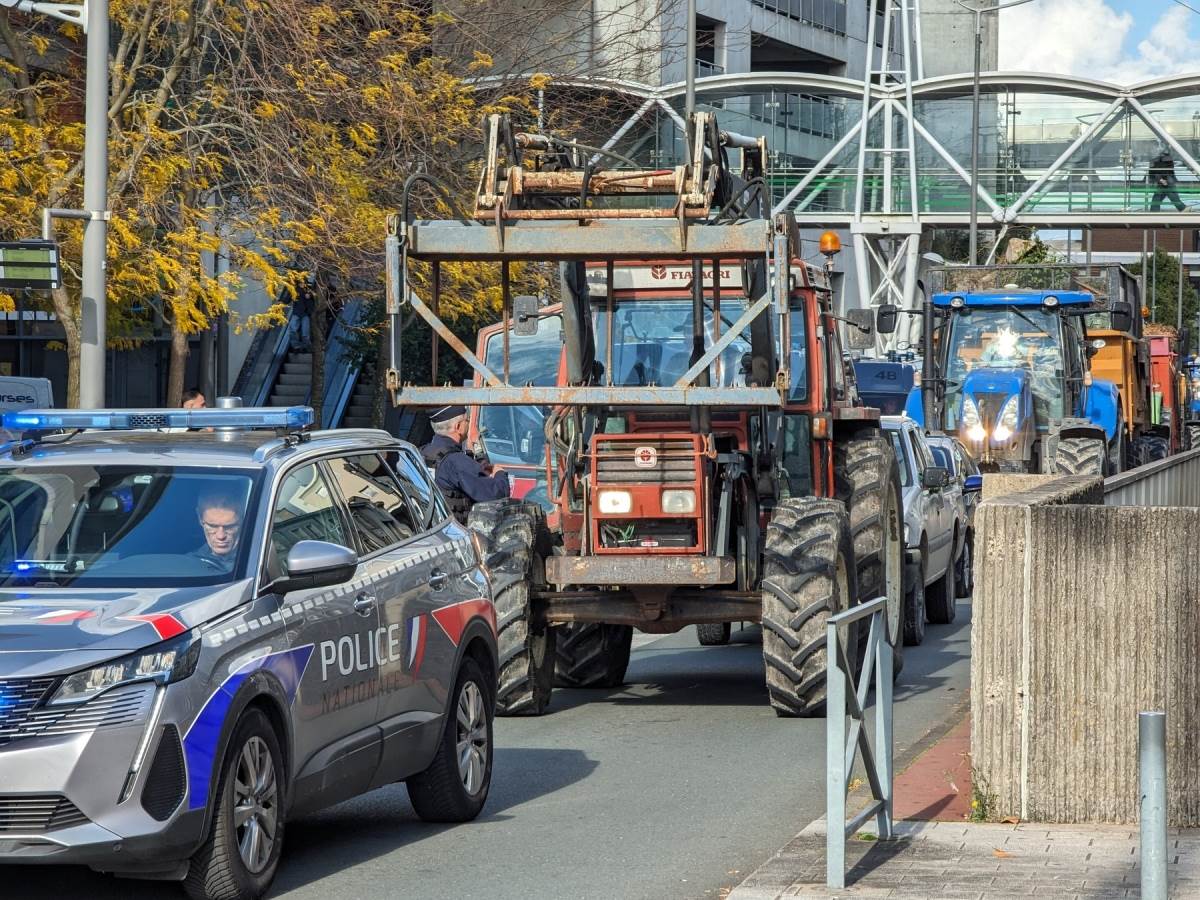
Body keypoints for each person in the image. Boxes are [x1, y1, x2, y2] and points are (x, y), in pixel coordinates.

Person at [421, 405, 509, 523]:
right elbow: (496, 495)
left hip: (431, 528)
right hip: (456, 533)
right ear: (458, 427)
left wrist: (476, 465)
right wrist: (499, 474)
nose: (468, 424)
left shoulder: (422, 452)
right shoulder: (457, 462)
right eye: (467, 420)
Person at [192, 493, 243, 571]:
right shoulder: (188, 563)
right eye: (212, 526)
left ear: (244, 518)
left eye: (229, 527)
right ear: (199, 517)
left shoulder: (260, 559)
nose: (221, 536)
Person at [1149, 147, 1186, 213]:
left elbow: (1157, 170)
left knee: (1162, 194)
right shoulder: (1167, 158)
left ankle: (1154, 211)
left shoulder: (1160, 159)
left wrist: (1161, 179)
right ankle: (1182, 208)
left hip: (1165, 179)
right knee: (1166, 194)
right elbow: (1167, 169)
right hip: (1167, 179)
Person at [290, 278, 315, 351]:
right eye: (301, 283)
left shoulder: (308, 289)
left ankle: (306, 346)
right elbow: (288, 298)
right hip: (297, 312)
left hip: (306, 313)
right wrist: (281, 302)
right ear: (298, 283)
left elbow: (315, 297)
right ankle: (296, 345)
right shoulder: (295, 290)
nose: (302, 284)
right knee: (293, 329)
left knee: (305, 332)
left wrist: (310, 295)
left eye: (303, 283)